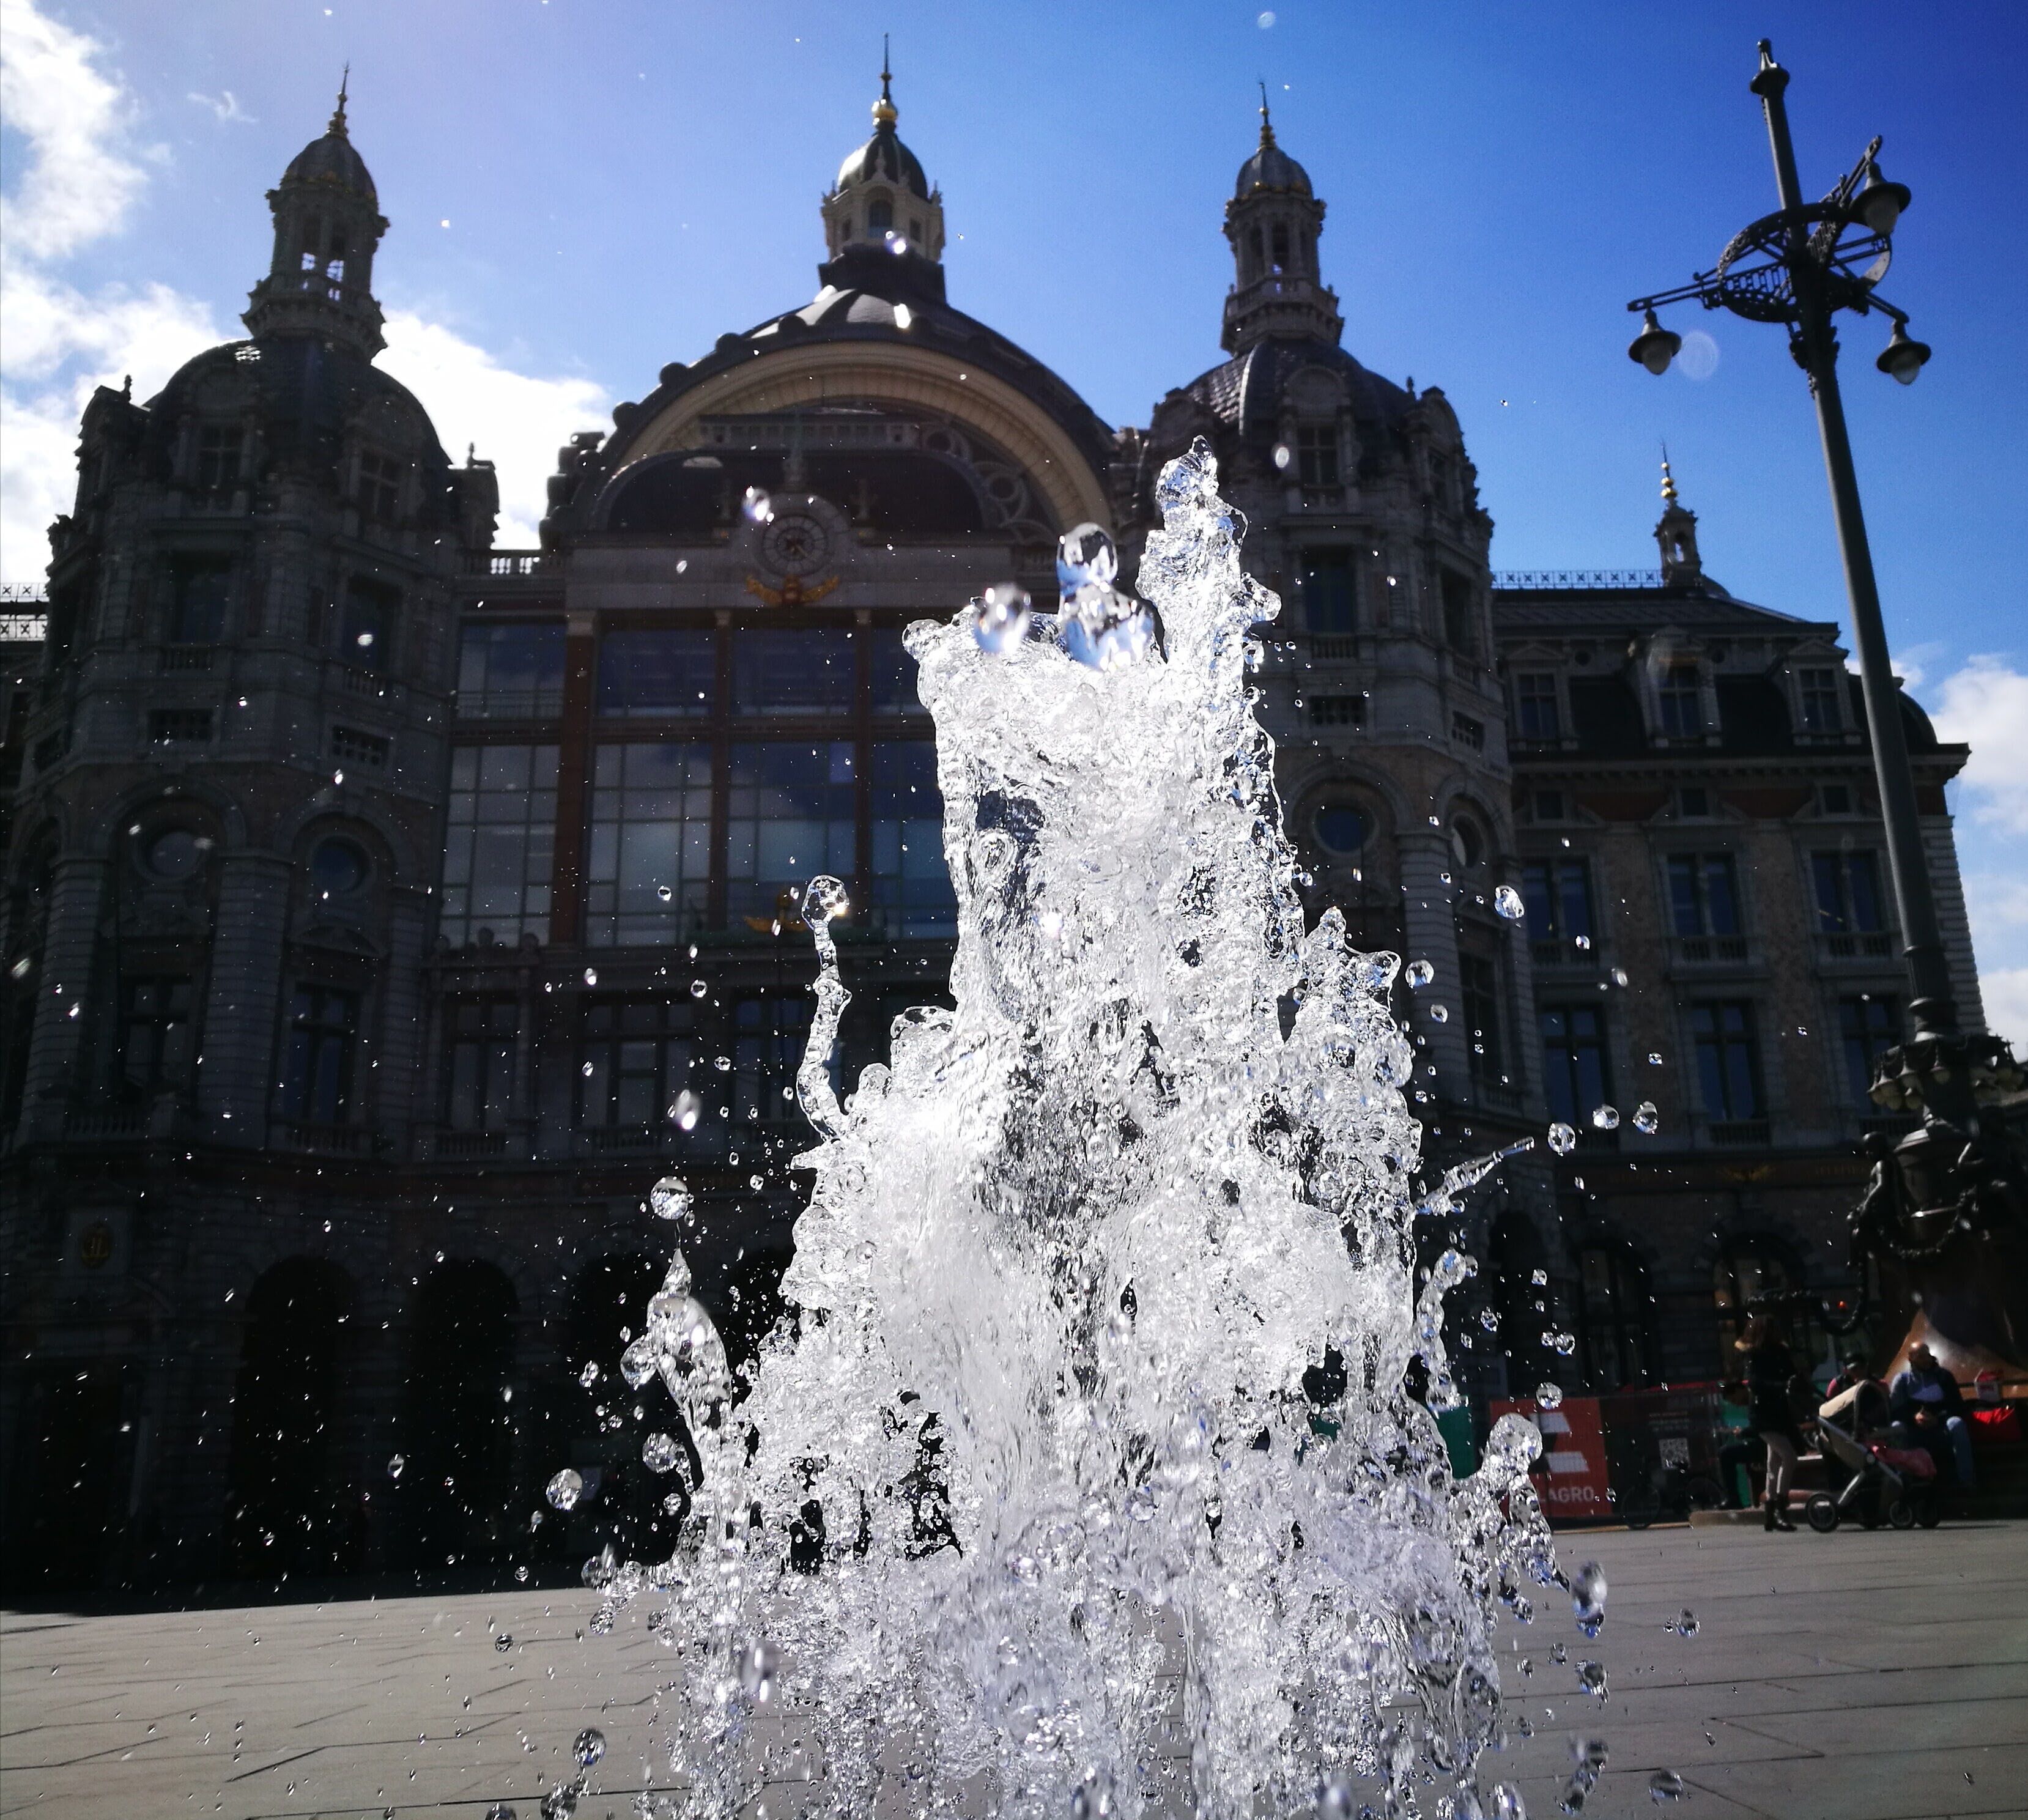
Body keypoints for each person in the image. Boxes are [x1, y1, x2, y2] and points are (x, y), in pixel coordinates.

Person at [1737, 1315, 1802, 1531]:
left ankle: (1770, 1514)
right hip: (1763, 1414)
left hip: (1778, 1412)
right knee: (1789, 1457)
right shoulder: (1754, 1355)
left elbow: (1792, 1373)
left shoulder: (1781, 1352)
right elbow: (1755, 1382)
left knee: (1773, 1463)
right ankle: (1780, 1508)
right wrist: (1782, 1385)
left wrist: (1794, 1381)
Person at [1889, 1342, 1975, 1490]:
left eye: (1927, 1356)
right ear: (1911, 1359)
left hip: (1940, 1426)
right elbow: (1896, 1411)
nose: (1926, 1360)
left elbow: (1957, 1406)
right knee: (1896, 1427)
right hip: (1914, 1430)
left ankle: (1966, 1480)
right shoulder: (1902, 1381)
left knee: (1957, 1424)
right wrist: (1914, 1417)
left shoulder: (1944, 1376)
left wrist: (1939, 1418)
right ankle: (1904, 1480)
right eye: (1921, 1357)